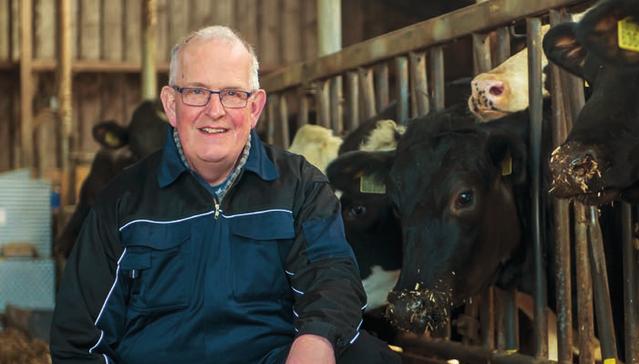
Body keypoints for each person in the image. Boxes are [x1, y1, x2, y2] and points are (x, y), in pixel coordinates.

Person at [50, 26, 399, 364]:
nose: (214, 110)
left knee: (368, 356)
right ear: (171, 105)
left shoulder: (300, 187)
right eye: (196, 92)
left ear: (255, 108)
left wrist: (317, 338)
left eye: (232, 93)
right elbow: (79, 337)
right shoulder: (122, 201)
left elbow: (332, 276)